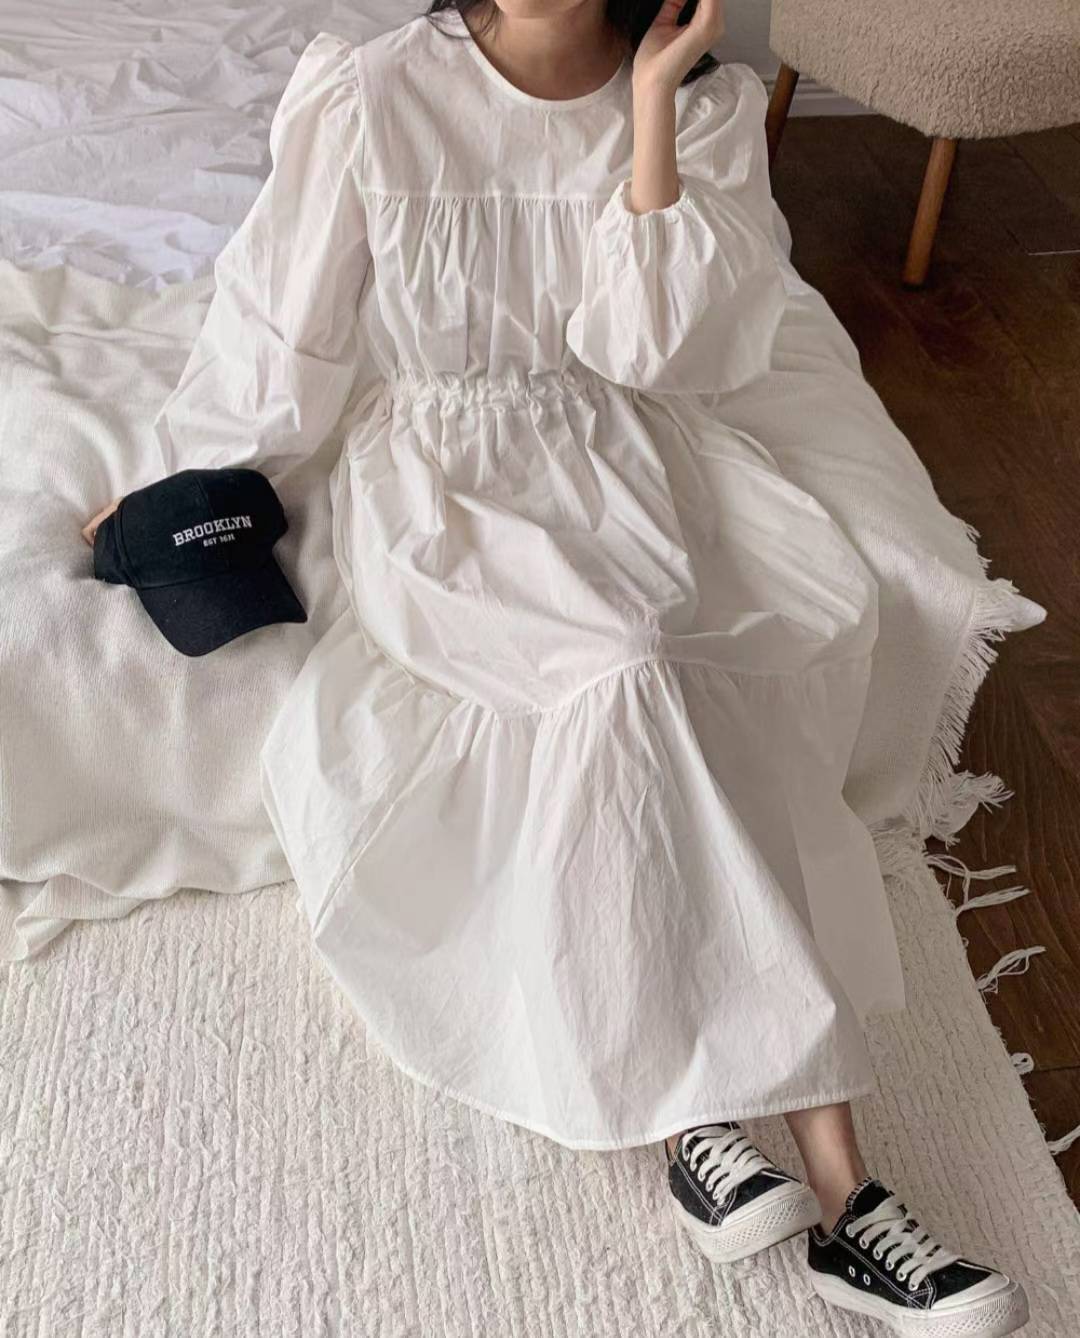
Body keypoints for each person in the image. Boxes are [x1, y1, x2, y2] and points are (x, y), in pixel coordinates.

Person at [83, 3, 1029, 1332]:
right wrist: (173, 492)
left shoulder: (701, 108)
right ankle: (800, 1170)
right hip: (442, 481)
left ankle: (770, 1162)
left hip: (629, 458)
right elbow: (284, 338)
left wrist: (647, 112)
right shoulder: (370, 94)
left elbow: (660, 356)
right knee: (628, 671)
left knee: (679, 669)